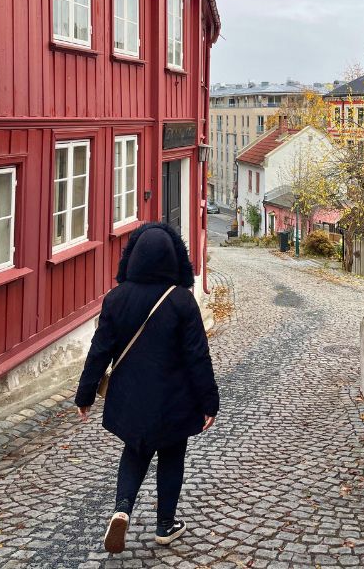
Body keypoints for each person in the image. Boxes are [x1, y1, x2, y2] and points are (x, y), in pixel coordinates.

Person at [75, 222, 219, 554]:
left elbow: (100, 351)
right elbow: (198, 356)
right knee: (172, 454)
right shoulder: (182, 301)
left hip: (131, 399)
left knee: (135, 451)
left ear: (134, 258)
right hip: (174, 399)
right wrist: (209, 402)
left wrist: (84, 395)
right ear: (173, 261)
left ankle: (122, 508)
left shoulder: (116, 299)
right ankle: (165, 525)